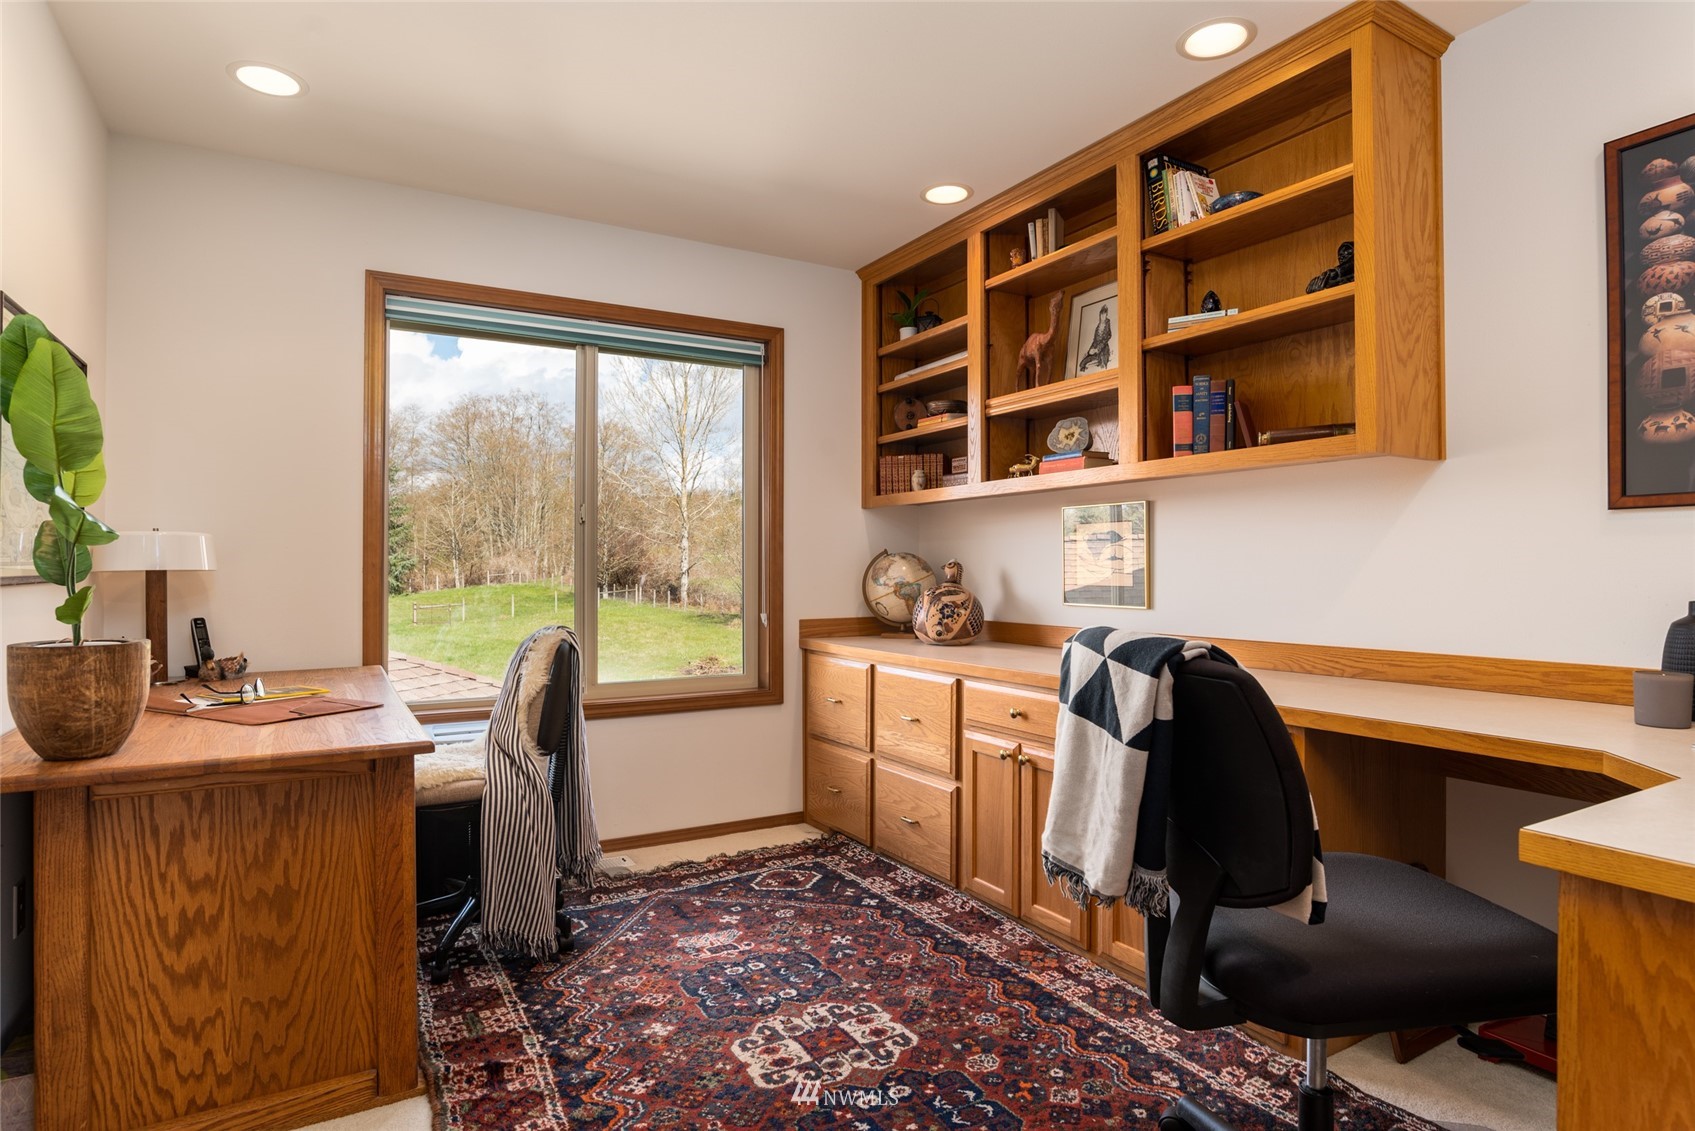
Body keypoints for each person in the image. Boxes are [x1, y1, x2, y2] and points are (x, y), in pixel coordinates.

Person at [1080, 306, 1112, 372]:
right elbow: (1094, 340)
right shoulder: (1098, 327)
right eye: (1101, 314)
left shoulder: (1107, 325)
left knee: (1096, 364)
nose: (1103, 316)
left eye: (1104, 314)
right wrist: (1090, 350)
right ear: (1100, 315)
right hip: (1095, 349)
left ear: (1106, 315)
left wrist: (1097, 349)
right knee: (1083, 363)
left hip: (1103, 349)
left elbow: (1106, 339)